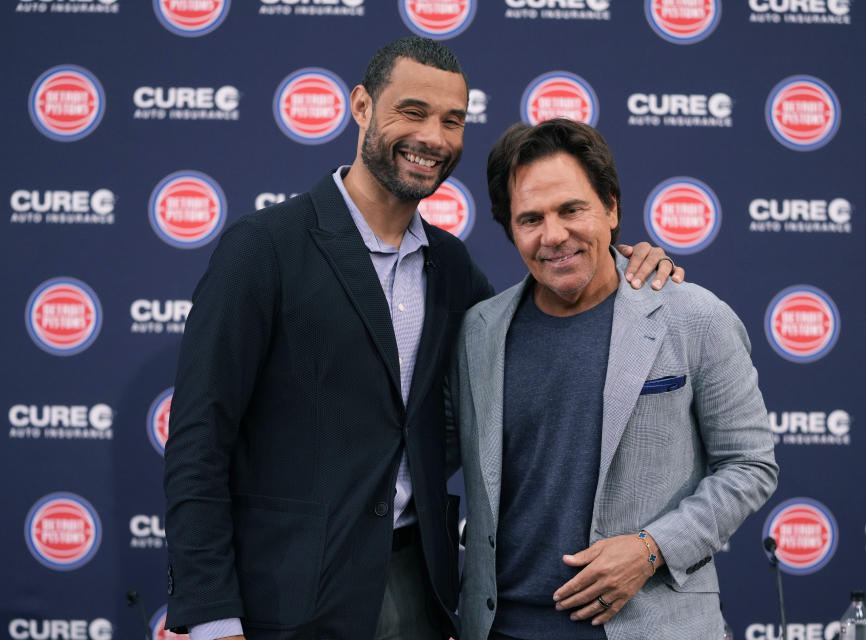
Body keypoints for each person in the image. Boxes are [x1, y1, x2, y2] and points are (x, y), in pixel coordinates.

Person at [163, 38, 682, 640]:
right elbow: (199, 440)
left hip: (422, 591)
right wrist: (210, 618)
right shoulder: (264, 249)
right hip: (284, 598)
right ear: (361, 107)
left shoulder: (452, 267)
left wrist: (627, 267)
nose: (434, 137)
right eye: (412, 112)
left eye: (452, 120)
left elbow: (539, 327)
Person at [450, 118, 779, 640]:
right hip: (503, 630)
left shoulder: (693, 317)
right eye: (530, 218)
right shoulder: (478, 332)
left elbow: (750, 464)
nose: (554, 235)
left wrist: (652, 548)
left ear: (611, 208)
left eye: (572, 209)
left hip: (654, 627)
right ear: (510, 229)